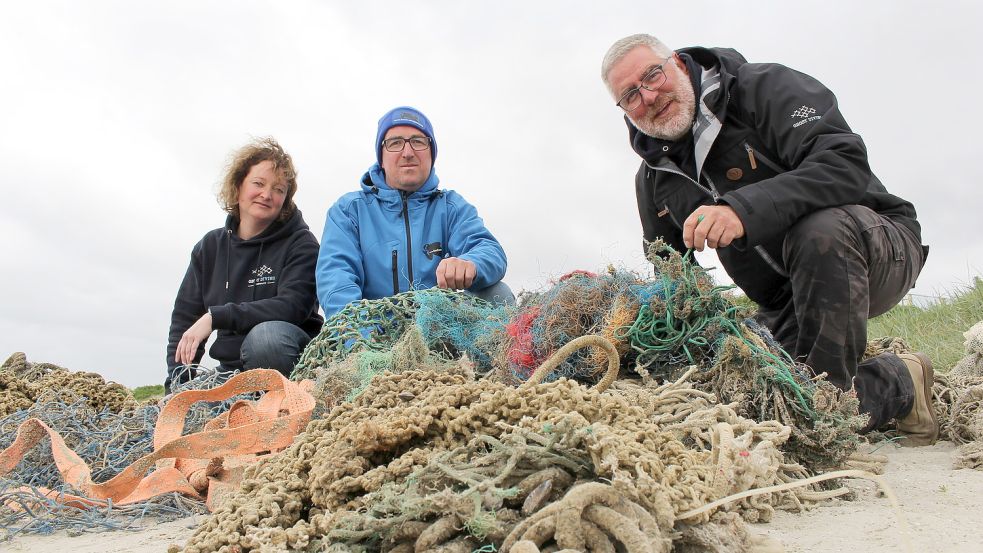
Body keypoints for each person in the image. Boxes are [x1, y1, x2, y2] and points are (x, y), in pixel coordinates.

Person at [600, 34, 938, 445]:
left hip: (873, 250)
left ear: (678, 64)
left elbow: (843, 163)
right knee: (748, 392)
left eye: (652, 76)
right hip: (784, 302)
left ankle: (825, 410)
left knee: (820, 232)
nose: (649, 96)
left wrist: (743, 210)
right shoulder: (655, 178)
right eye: (630, 95)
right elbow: (674, 274)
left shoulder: (764, 87)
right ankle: (901, 381)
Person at [316, 106, 511, 318]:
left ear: (431, 154)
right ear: (381, 157)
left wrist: (472, 264)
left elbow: (490, 250)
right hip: (374, 332)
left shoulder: (451, 206)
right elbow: (336, 280)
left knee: (498, 293)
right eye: (395, 143)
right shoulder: (348, 211)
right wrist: (360, 340)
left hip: (440, 328)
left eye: (418, 142)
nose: (407, 153)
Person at [165, 138, 323, 390]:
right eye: (258, 183)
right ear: (238, 186)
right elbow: (185, 321)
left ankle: (284, 402)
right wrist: (177, 384)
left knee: (266, 339)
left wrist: (216, 317)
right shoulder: (210, 247)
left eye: (279, 189)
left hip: (289, 359)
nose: (267, 195)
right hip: (231, 369)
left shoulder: (301, 243)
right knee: (191, 400)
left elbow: (293, 306)